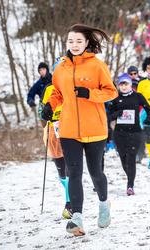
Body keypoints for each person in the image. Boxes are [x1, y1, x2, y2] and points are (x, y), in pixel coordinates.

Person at [41, 24, 118, 236]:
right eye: (70, 41)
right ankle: (77, 218)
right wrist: (49, 105)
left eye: (79, 41)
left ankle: (104, 204)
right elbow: (57, 92)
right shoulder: (61, 67)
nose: (74, 45)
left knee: (95, 172)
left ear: (86, 43)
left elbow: (111, 92)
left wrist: (89, 93)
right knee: (73, 172)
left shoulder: (97, 65)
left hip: (94, 128)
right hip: (68, 129)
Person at [110, 73, 150, 195]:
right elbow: (109, 115)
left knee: (131, 159)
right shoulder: (116, 98)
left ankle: (130, 185)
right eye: (121, 84)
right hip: (119, 134)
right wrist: (117, 114)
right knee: (123, 160)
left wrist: (148, 119)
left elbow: (148, 109)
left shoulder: (138, 96)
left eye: (126, 84)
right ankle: (130, 178)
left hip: (135, 133)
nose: (123, 87)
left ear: (130, 84)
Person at [41, 83, 72, 219]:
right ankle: (69, 191)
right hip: (53, 128)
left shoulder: (71, 84)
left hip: (69, 125)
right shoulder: (48, 89)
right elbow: (42, 111)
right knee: (61, 172)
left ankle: (69, 203)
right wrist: (44, 116)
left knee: (69, 169)